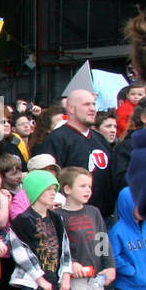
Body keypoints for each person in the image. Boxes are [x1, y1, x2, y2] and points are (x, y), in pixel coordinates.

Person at [34, 88, 116, 217]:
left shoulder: (100, 139)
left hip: (104, 217)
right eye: (86, 104)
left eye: (94, 104)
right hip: (72, 218)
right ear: (71, 109)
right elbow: (49, 178)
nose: (93, 109)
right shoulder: (57, 139)